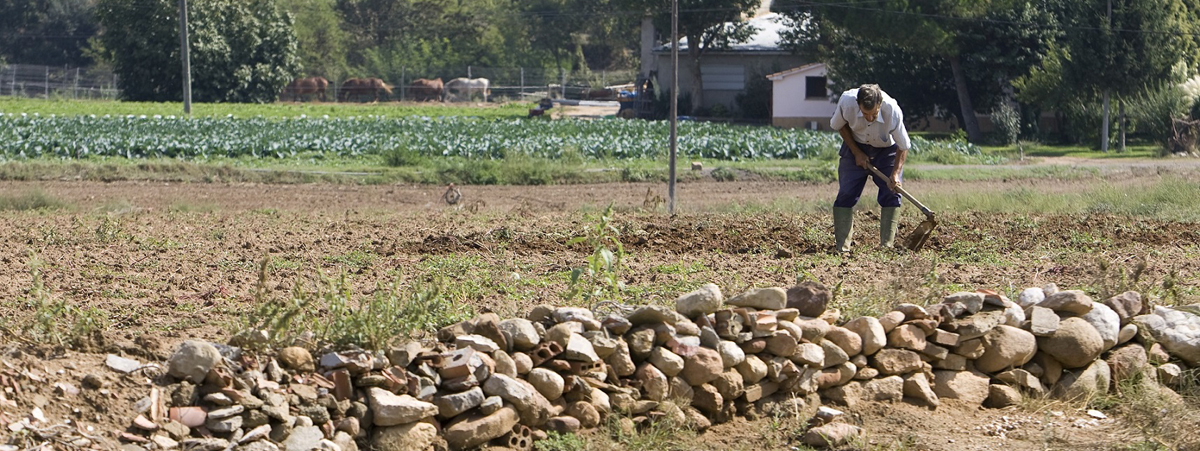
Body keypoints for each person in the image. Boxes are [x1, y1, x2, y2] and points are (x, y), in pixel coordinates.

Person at [829, 84, 911, 253]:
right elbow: (839, 125)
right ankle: (842, 249)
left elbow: (903, 145)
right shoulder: (847, 102)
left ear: (879, 105)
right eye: (865, 114)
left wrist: (895, 173)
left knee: (891, 193)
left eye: (873, 114)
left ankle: (886, 247)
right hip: (855, 146)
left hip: (886, 150)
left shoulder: (892, 110)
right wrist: (856, 152)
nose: (869, 119)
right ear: (858, 104)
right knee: (846, 193)